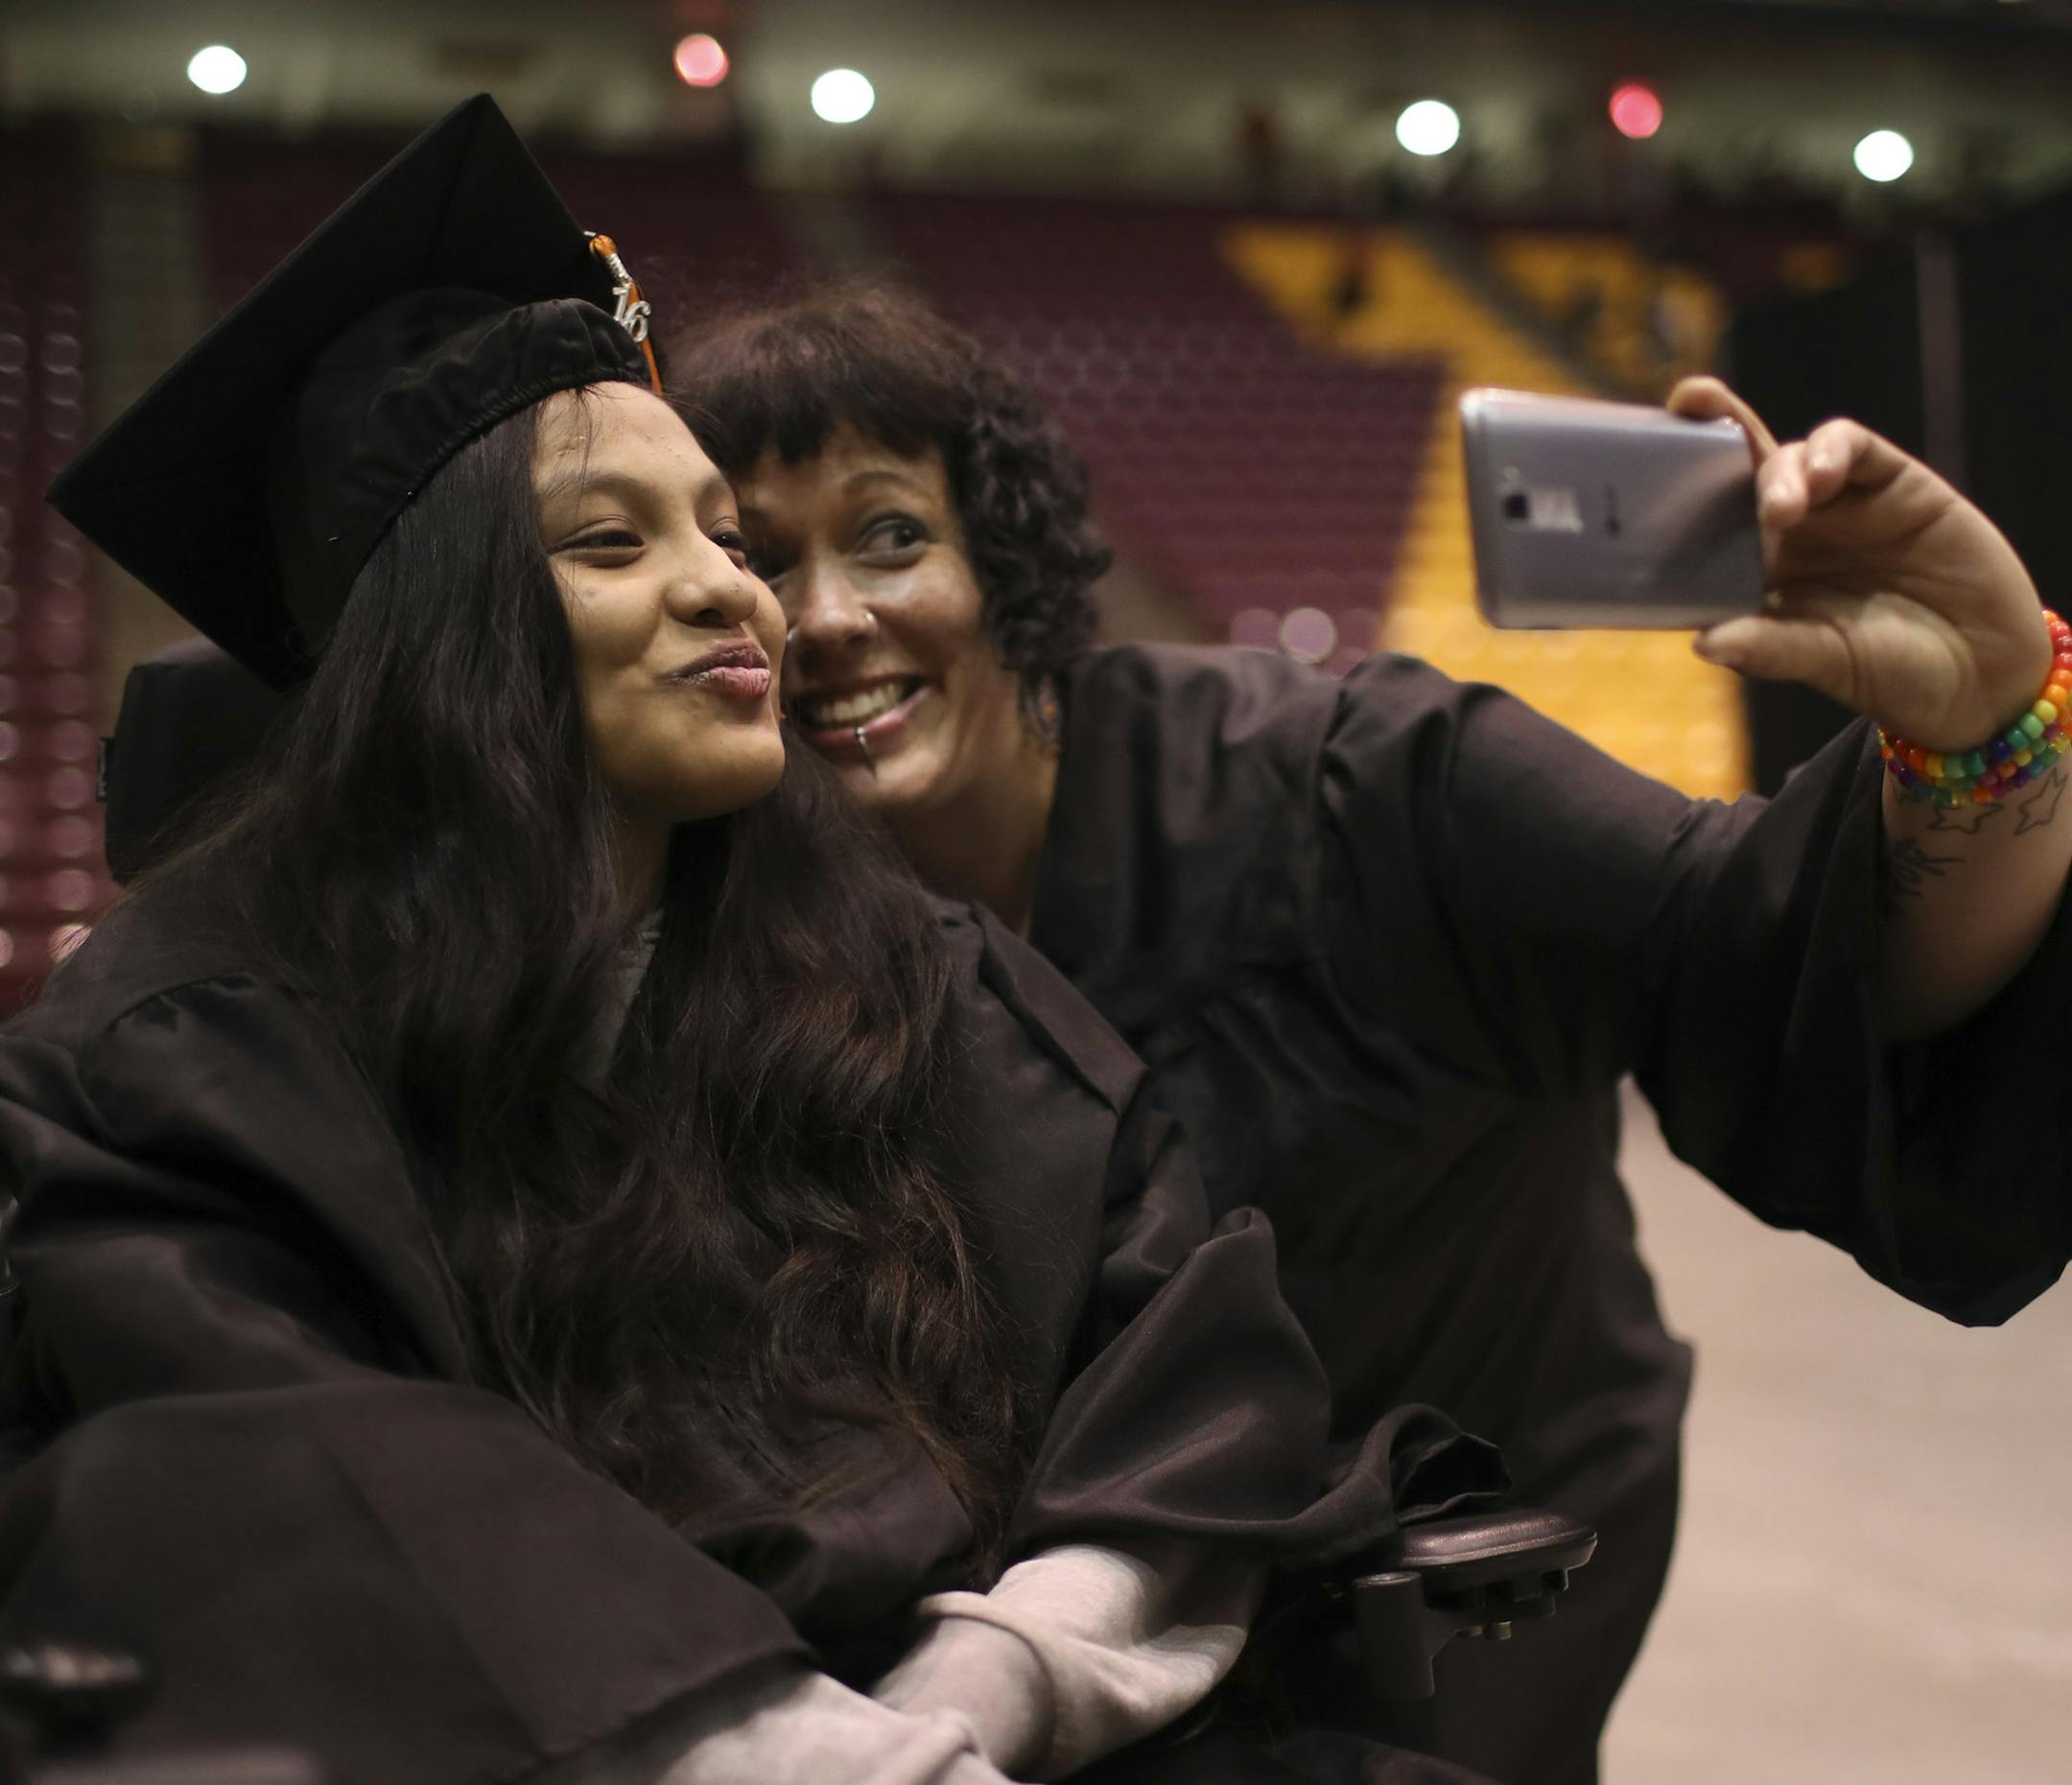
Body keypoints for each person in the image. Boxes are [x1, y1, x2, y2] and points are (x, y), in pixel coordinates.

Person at [4, 101, 1515, 1785]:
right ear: (433, 637)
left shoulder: (906, 972)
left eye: (724, 532)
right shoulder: (185, 1056)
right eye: (609, 542)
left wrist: (980, 1699)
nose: (738, 591)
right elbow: (278, 1491)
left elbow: (1173, 1355)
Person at [668, 283, 2072, 1784]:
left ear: (997, 557)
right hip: (1080, 1642)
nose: (826, 620)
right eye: (762, 558)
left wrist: (1987, 729)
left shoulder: (1362, 789)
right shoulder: (733, 939)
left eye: (891, 534)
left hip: (1453, 1605)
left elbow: (1781, 953)